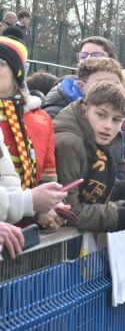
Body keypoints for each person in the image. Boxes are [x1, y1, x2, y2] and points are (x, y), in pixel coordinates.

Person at [53, 81, 125, 233]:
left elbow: (100, 189)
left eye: (116, 119)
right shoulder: (70, 142)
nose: (108, 125)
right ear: (84, 109)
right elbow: (70, 211)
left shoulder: (97, 136)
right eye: (101, 115)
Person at [0, 35, 64, 229]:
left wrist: (52, 206)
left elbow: (47, 175)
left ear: (17, 75)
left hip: (28, 230)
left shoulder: (42, 119)